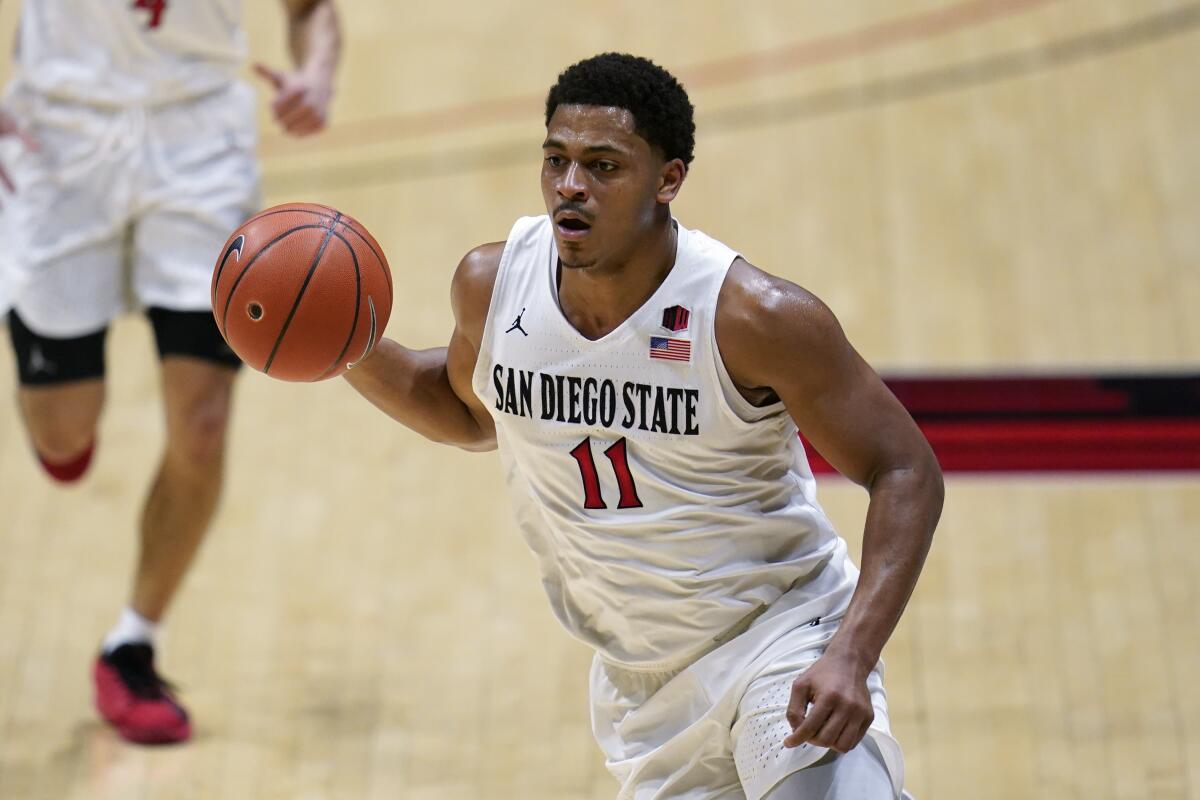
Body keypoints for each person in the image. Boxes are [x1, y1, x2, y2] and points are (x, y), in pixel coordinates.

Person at [345, 53, 942, 798]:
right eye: (557, 160)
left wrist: (851, 653)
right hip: (642, 689)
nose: (571, 185)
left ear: (668, 180)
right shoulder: (494, 284)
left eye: (603, 166)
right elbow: (469, 412)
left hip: (781, 641)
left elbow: (905, 468)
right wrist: (349, 348)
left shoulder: (754, 317)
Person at [0, 0, 341, 744]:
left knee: (203, 422)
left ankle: (132, 643)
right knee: (63, 438)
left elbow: (309, 7)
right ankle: (52, 394)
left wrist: (316, 77)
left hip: (199, 144)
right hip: (57, 136)